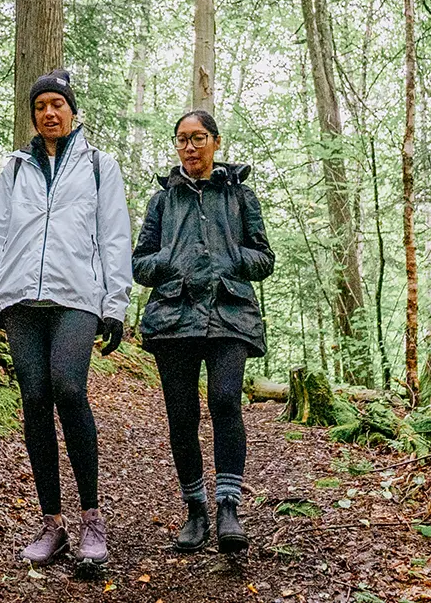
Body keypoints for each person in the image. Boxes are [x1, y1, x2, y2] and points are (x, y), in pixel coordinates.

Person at [0, 69, 133, 570]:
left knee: (68, 389)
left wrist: (116, 304)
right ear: (33, 114)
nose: (49, 112)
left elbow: (114, 238)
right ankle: (52, 523)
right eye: (41, 106)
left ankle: (92, 517)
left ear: (73, 111)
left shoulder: (99, 166)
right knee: (33, 400)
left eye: (58, 104)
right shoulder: (14, 168)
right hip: (20, 299)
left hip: (77, 298)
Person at [131, 109, 271, 554]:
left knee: (226, 400)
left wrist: (231, 258)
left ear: (215, 141)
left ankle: (228, 507)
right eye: (181, 140)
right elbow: (139, 265)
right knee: (182, 415)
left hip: (229, 313)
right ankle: (195, 510)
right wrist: (171, 262)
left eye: (198, 138)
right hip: (174, 318)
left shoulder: (241, 197)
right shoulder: (162, 201)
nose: (189, 147)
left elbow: (264, 259)